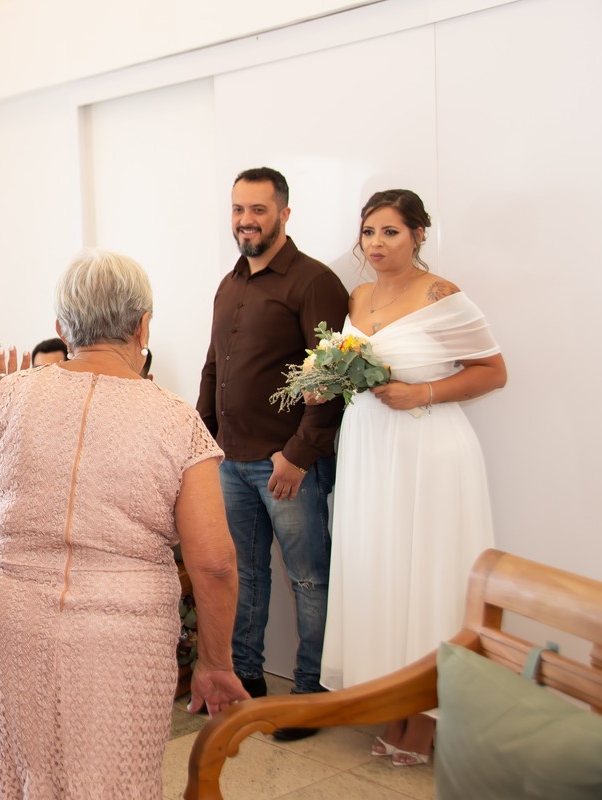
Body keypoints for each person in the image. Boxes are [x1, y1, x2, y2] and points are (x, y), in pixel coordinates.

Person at [0, 249, 247, 799]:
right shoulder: (178, 419)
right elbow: (215, 562)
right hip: (120, 629)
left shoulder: (14, 392)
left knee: (15, 766)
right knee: (111, 778)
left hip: (8, 613)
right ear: (143, 325)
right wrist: (216, 661)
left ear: (61, 327)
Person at [317, 189, 507, 766]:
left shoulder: (442, 294)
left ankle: (426, 719)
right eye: (369, 231)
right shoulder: (359, 294)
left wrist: (422, 390)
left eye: (391, 232)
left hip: (428, 447)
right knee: (382, 572)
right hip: (371, 450)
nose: (376, 243)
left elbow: (494, 372)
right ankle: (395, 702)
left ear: (419, 234)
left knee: (427, 575)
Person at [196, 166, 349, 740]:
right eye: (238, 209)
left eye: (258, 210)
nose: (246, 221)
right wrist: (202, 440)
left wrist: (299, 455)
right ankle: (250, 682)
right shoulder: (229, 282)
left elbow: (332, 377)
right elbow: (214, 366)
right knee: (246, 576)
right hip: (230, 462)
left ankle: (311, 695)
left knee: (310, 580)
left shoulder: (313, 281)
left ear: (284, 213)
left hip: (288, 466)